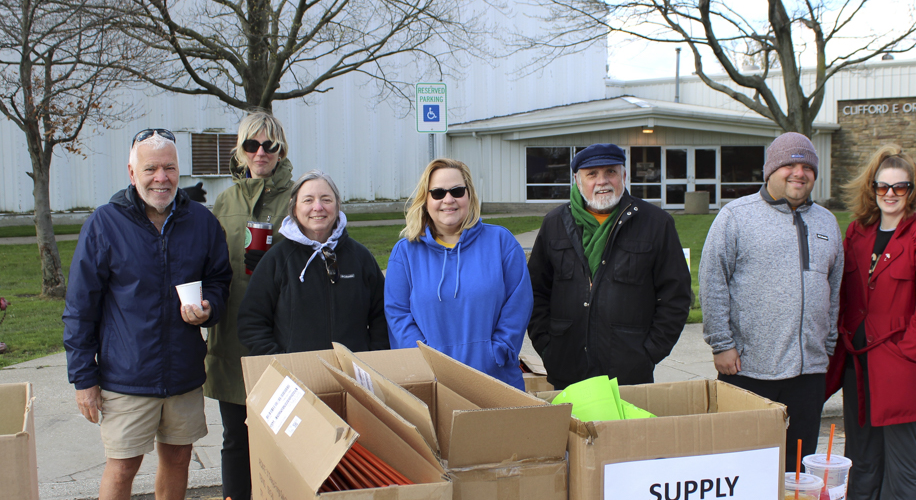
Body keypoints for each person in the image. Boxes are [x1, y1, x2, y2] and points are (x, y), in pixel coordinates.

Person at [63, 129, 232, 500]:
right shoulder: (105, 223)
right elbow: (80, 307)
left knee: (178, 457)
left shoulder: (201, 222)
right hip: (126, 374)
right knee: (123, 465)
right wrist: (84, 378)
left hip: (183, 372)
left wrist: (209, 306)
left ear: (179, 171)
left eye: (169, 168)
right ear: (131, 172)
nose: (161, 177)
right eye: (151, 168)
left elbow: (219, 281)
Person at [699, 132, 843, 472]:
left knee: (797, 469)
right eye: (789, 165)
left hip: (808, 371)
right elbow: (713, 281)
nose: (799, 173)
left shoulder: (827, 221)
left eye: (808, 167)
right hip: (748, 369)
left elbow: (835, 286)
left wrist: (828, 343)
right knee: (742, 466)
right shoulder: (736, 216)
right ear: (770, 171)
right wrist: (721, 344)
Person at [827, 145, 916, 500]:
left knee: (901, 451)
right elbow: (846, 292)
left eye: (900, 187)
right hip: (859, 357)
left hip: (900, 359)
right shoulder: (857, 231)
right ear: (872, 189)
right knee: (862, 443)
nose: (890, 194)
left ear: (913, 190)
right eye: (883, 187)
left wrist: (912, 348)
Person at [527, 143, 691, 390]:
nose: (602, 181)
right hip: (566, 367)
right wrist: (547, 346)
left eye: (610, 172)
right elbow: (535, 292)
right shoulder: (554, 223)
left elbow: (676, 295)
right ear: (577, 180)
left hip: (629, 372)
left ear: (624, 176)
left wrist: (649, 352)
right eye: (592, 174)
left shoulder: (656, 223)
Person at [203, 111, 294, 500]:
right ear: (240, 151)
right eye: (252, 145)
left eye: (269, 145)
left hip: (282, 333)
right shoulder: (225, 201)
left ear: (281, 151)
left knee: (283, 439)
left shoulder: (298, 196)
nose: (261, 153)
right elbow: (210, 262)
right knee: (235, 440)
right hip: (233, 335)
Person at [384, 159, 532, 389]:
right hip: (433, 382)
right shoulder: (405, 253)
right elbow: (398, 314)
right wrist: (423, 360)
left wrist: (496, 352)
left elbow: (519, 304)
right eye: (438, 193)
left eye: (457, 191)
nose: (448, 199)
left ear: (469, 195)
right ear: (425, 200)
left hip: (496, 378)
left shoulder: (501, 242)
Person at [238, 170, 389, 356]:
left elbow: (382, 316)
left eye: (326, 199)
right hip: (296, 371)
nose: (318, 207)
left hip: (352, 370)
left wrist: (372, 358)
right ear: (294, 207)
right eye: (308, 200)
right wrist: (280, 362)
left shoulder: (361, 257)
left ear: (337, 205)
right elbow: (251, 321)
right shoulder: (277, 259)